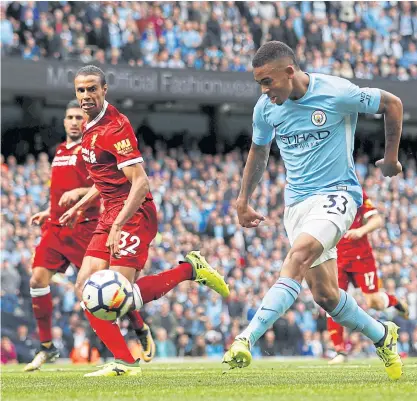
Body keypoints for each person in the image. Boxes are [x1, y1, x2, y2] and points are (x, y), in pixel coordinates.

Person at [222, 41, 403, 380]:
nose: (263, 90)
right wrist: (243, 198)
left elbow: (391, 104)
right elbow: (258, 152)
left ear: (289, 72)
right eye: (259, 83)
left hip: (338, 195)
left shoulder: (336, 92)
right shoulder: (265, 108)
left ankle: (245, 338)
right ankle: (382, 335)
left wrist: (391, 157)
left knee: (298, 256)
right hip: (297, 206)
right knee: (326, 296)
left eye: (267, 81)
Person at [60, 65, 229, 377]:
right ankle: (130, 348)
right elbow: (106, 180)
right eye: (80, 90)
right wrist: (80, 205)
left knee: (117, 296)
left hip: (134, 214)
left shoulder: (116, 127)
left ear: (104, 90)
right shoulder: (88, 127)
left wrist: (119, 225)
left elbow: (140, 184)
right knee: (85, 287)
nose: (85, 95)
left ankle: (188, 270)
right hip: (110, 213)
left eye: (92, 89)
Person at [24, 100, 155, 372]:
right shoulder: (60, 151)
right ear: (63, 121)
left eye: (77, 117)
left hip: (87, 225)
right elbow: (59, 192)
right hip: (58, 225)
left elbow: (105, 183)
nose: (73, 121)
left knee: (108, 286)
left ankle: (139, 326)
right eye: (69, 117)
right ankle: (47, 346)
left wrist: (80, 196)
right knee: (37, 278)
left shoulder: (93, 147)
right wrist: (47, 211)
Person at [328, 190, 409, 364]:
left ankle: (394, 301)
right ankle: (340, 351)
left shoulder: (355, 191)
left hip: (360, 256)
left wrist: (361, 231)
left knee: (374, 303)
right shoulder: (322, 190)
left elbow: (377, 219)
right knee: (331, 299)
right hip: (335, 257)